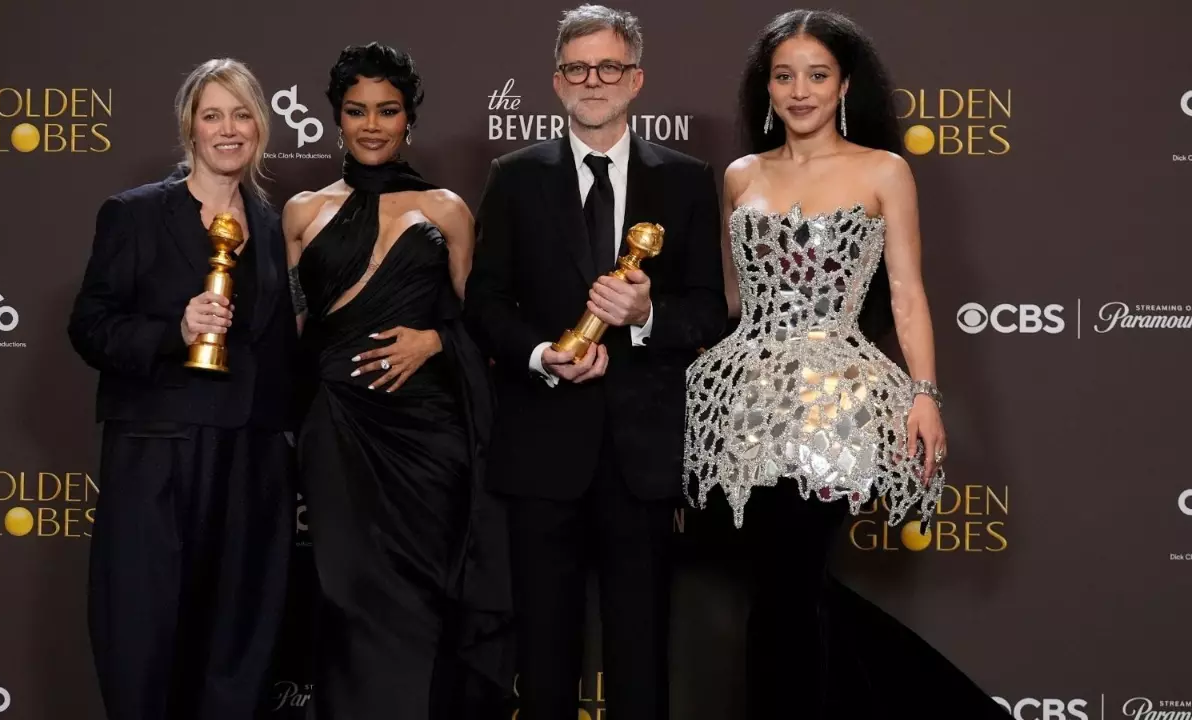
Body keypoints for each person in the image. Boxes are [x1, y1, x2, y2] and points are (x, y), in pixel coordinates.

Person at [683, 9, 1008, 718]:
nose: (800, 91)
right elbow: (731, 299)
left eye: (817, 75)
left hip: (835, 405)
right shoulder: (741, 175)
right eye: (784, 76)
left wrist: (925, 394)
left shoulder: (883, 170)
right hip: (748, 407)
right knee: (787, 587)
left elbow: (908, 293)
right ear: (766, 89)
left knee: (789, 587)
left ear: (844, 85)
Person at [464, 5, 726, 719]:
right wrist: (543, 355)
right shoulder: (514, 177)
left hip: (640, 456)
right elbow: (484, 302)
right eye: (578, 68)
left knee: (640, 657)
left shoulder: (687, 179)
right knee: (543, 658)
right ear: (556, 82)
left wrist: (646, 319)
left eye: (609, 67)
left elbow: (710, 309)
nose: (593, 81)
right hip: (542, 444)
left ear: (636, 79)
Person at [282, 42, 513, 720]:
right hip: (339, 432)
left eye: (388, 110)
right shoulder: (301, 212)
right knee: (346, 594)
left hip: (428, 437)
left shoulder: (447, 209)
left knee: (422, 600)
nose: (372, 125)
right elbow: (289, 331)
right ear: (337, 119)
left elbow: (485, 325)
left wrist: (438, 338)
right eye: (357, 111)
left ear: (409, 119)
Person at [67, 58, 295, 720]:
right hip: (157, 454)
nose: (229, 129)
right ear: (189, 128)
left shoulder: (275, 227)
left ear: (261, 126)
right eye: (213, 115)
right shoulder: (135, 215)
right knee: (144, 635)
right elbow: (89, 327)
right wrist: (175, 328)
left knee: (239, 642)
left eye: (243, 114)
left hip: (252, 461)